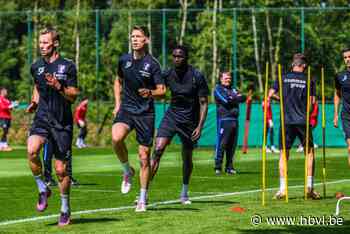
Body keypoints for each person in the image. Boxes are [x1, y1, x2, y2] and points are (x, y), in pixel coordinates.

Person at [26, 27, 79, 226]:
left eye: (46, 42)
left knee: (60, 170)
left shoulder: (68, 66)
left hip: (62, 123)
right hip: (42, 119)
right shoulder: (36, 66)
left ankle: (65, 208)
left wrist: (59, 87)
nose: (42, 46)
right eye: (40, 43)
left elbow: (73, 95)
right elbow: (37, 86)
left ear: (55, 43)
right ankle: (42, 187)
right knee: (32, 150)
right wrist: (34, 101)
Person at [112, 26, 166, 212]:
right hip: (126, 109)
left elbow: (162, 91)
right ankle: (127, 171)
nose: (134, 39)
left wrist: (150, 93)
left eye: (138, 37)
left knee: (144, 158)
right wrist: (118, 104)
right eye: (132, 36)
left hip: (145, 113)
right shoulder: (123, 60)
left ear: (146, 40)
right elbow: (118, 81)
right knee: (116, 138)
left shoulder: (153, 64)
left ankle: (142, 198)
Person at [150, 45, 209, 204]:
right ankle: (143, 193)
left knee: (187, 157)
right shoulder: (167, 74)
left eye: (180, 56)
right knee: (157, 150)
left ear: (186, 57)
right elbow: (156, 87)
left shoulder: (197, 76)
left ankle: (184, 193)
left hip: (190, 121)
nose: (177, 59)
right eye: (174, 56)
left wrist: (200, 126)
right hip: (171, 116)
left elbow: (204, 103)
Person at [268, 53, 320, 200]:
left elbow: (270, 94)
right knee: (309, 153)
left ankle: (283, 189)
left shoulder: (282, 77)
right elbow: (312, 103)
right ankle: (309, 188)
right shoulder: (309, 79)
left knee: (284, 154)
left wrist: (283, 100)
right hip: (303, 120)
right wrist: (305, 111)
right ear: (303, 66)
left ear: (293, 64)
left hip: (287, 121)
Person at [214, 71, 245, 175]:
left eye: (229, 78)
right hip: (224, 120)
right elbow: (226, 101)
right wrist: (235, 98)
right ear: (221, 79)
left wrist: (234, 98)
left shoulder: (233, 89)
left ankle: (229, 167)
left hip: (234, 120)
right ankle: (218, 166)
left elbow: (243, 97)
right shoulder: (218, 89)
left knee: (232, 146)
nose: (228, 80)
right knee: (222, 144)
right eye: (226, 78)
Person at [334, 48, 350, 167]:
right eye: (345, 57)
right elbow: (337, 94)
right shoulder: (340, 76)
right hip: (346, 115)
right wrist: (335, 114)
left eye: (349, 56)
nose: (347, 59)